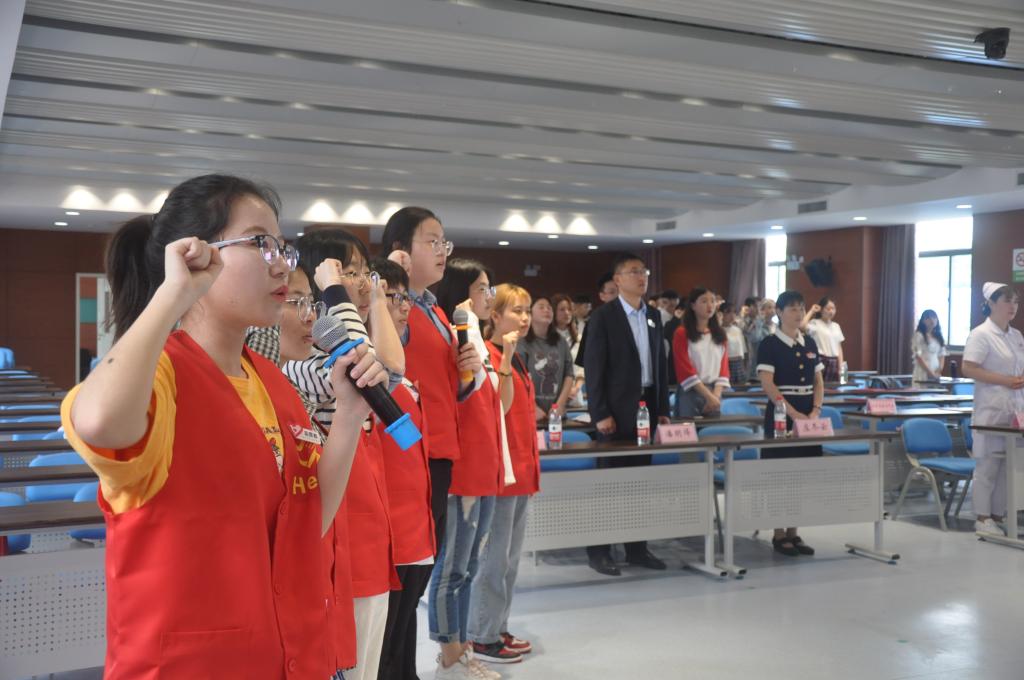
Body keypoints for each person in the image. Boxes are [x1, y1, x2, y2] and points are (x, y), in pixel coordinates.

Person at [59, 175, 385, 679]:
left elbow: (308, 523)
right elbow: (100, 422)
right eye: (260, 244)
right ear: (195, 255)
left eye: (283, 248)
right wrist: (173, 294)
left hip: (283, 657)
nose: (281, 264)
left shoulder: (273, 383)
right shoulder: (162, 375)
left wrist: (348, 415)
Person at [294, 230, 404, 680]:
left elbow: (391, 369)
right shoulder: (302, 366)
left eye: (363, 271)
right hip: (340, 545)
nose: (361, 281)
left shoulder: (342, 352)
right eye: (348, 272)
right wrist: (335, 291)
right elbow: (369, 364)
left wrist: (368, 301)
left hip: (370, 535)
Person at [382, 207, 484, 558]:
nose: (442, 251)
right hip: (408, 450)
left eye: (445, 243)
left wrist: (465, 371)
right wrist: (389, 283)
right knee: (407, 561)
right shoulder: (391, 309)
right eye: (432, 242)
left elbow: (445, 386)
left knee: (427, 556)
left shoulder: (436, 309)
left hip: (440, 449)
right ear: (400, 249)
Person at [432, 258, 509, 676]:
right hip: (462, 470)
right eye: (481, 288)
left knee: (471, 568)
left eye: (489, 288)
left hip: (486, 467)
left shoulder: (476, 336)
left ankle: (462, 648)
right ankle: (450, 654)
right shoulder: (453, 333)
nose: (488, 297)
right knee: (453, 569)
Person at [583, 253, 671, 576]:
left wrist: (663, 409)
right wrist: (600, 413)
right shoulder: (602, 317)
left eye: (644, 271)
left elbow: (659, 366)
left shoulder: (653, 316)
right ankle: (599, 550)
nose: (642, 277)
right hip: (615, 411)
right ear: (618, 280)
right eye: (634, 272)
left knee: (639, 483)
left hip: (647, 408)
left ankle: (636, 548)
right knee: (610, 484)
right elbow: (594, 369)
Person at [471, 284, 540, 667]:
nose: (524, 318)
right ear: (495, 316)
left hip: (523, 472)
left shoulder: (518, 358)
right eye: (516, 310)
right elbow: (495, 408)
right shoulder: (488, 355)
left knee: (510, 561)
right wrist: (507, 358)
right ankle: (482, 635)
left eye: (527, 310)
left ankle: (497, 627)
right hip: (501, 474)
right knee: (494, 560)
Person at [756, 290, 825, 557]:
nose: (798, 313)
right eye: (793, 309)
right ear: (779, 312)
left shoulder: (809, 343)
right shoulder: (770, 344)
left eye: (801, 308)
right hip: (781, 416)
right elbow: (768, 384)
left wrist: (816, 410)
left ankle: (794, 531)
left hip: (809, 413)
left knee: (801, 476)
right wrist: (793, 413)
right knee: (780, 476)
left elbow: (818, 382)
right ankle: (778, 533)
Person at [962, 282, 1024, 536]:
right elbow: (968, 368)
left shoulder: (1016, 336)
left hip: (1014, 411)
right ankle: (983, 518)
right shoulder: (981, 334)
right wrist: (1005, 380)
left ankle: (999, 516)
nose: (1013, 306)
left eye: (1016, 301)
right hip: (990, 411)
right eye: (1007, 301)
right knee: (987, 467)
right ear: (991, 303)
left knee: (1009, 468)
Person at [673, 287, 731, 417]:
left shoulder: (720, 334)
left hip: (714, 391)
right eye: (704, 301)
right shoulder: (682, 333)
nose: (710, 305)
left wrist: (715, 396)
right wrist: (708, 396)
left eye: (713, 301)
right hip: (691, 391)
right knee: (689, 428)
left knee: (713, 429)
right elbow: (684, 369)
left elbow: (724, 368)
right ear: (693, 305)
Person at [519, 295, 575, 419]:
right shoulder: (521, 342)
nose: (547, 310)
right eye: (541, 307)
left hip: (556, 412)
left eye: (549, 308)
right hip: (529, 412)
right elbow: (518, 377)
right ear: (530, 313)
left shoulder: (561, 341)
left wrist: (560, 405)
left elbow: (569, 374)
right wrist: (532, 406)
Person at [552, 293, 586, 408]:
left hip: (574, 395)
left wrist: (576, 388)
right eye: (562, 309)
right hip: (552, 393)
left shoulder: (578, 339)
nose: (567, 313)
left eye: (569, 309)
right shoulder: (547, 339)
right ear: (553, 312)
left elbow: (581, 368)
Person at [803, 296, 845, 382]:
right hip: (820, 360)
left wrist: (841, 366)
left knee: (834, 387)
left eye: (833, 309)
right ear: (821, 310)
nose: (831, 311)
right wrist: (812, 311)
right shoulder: (815, 323)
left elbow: (839, 347)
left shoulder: (836, 326)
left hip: (834, 362)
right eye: (828, 309)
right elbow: (802, 326)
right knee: (819, 386)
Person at [911, 309, 948, 384]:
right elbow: (918, 357)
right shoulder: (918, 335)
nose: (932, 320)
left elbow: (942, 355)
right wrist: (930, 373)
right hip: (922, 372)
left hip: (936, 372)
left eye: (934, 318)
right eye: (928, 318)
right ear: (923, 321)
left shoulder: (938, 337)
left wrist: (939, 369)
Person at [745, 298, 776, 377]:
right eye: (769, 307)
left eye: (774, 307)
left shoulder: (777, 325)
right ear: (762, 310)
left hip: (774, 361)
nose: (773, 310)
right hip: (759, 361)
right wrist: (759, 321)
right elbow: (755, 338)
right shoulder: (757, 324)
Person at [721, 302, 748, 385]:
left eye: (734, 312)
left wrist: (744, 366)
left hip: (739, 363)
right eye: (728, 312)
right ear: (721, 314)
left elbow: (743, 350)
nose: (732, 315)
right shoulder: (718, 331)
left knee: (741, 388)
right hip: (726, 363)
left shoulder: (737, 330)